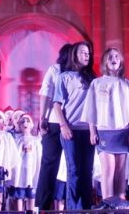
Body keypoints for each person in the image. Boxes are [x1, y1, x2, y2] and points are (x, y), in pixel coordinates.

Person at [81, 48, 129, 204]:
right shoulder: (97, 83)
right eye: (110, 57)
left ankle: (119, 202)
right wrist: (92, 131)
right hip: (104, 131)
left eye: (117, 57)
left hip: (122, 131)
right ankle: (107, 203)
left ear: (120, 62)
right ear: (105, 62)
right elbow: (91, 108)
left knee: (120, 171)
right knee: (108, 169)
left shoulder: (126, 84)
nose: (114, 59)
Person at [53, 41, 96, 209]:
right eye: (83, 52)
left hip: (89, 131)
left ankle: (86, 208)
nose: (87, 55)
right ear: (75, 55)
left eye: (88, 53)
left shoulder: (92, 78)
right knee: (74, 170)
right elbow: (57, 104)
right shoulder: (64, 77)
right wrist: (63, 126)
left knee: (87, 171)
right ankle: (73, 208)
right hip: (71, 130)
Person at [35, 43, 73, 210]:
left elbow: (46, 93)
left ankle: (53, 206)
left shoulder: (77, 72)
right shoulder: (55, 69)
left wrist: (42, 118)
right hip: (55, 122)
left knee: (58, 165)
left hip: (71, 123)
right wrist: (42, 118)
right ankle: (44, 206)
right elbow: (46, 93)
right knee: (51, 164)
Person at [9, 113, 42, 211]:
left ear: (31, 125)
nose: (25, 123)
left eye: (28, 121)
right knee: (19, 196)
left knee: (31, 196)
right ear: (19, 125)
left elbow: (39, 157)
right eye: (22, 121)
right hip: (20, 174)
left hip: (32, 172)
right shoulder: (16, 140)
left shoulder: (36, 140)